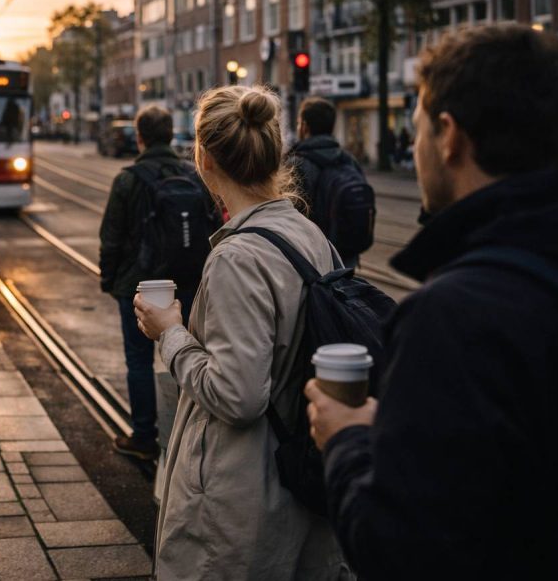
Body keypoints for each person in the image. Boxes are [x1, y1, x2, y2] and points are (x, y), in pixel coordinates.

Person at [305, 24, 558, 579]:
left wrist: (347, 438)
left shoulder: (455, 314)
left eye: (418, 128)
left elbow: (399, 548)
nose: (417, 145)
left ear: (449, 137)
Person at [135, 86, 349, 580]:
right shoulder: (309, 234)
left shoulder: (236, 258)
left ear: (203, 158)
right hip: (299, 482)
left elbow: (237, 395)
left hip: (241, 500)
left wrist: (169, 333)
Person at [99, 105, 217, 461]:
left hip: (138, 286)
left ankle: (144, 437)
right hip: (186, 284)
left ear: (140, 137)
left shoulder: (128, 180)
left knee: (138, 361)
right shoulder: (195, 177)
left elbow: (112, 236)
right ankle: (189, 440)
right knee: (187, 356)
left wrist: (110, 279)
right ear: (171, 135)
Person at [289, 96, 375, 267]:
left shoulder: (296, 164)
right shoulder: (349, 160)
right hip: (346, 258)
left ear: (304, 126)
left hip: (312, 260)